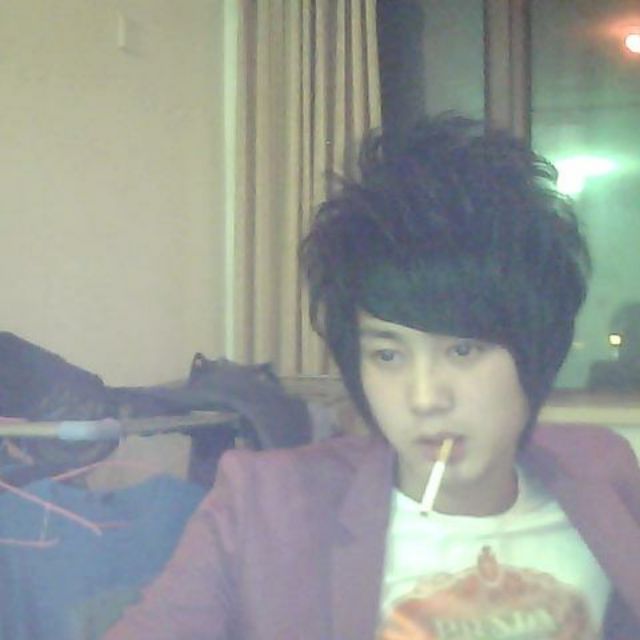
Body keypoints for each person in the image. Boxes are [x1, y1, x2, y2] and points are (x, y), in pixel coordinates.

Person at [103, 114, 640, 639]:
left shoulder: (605, 476)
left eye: (462, 350)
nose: (424, 397)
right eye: (387, 355)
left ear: (536, 351)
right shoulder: (266, 509)